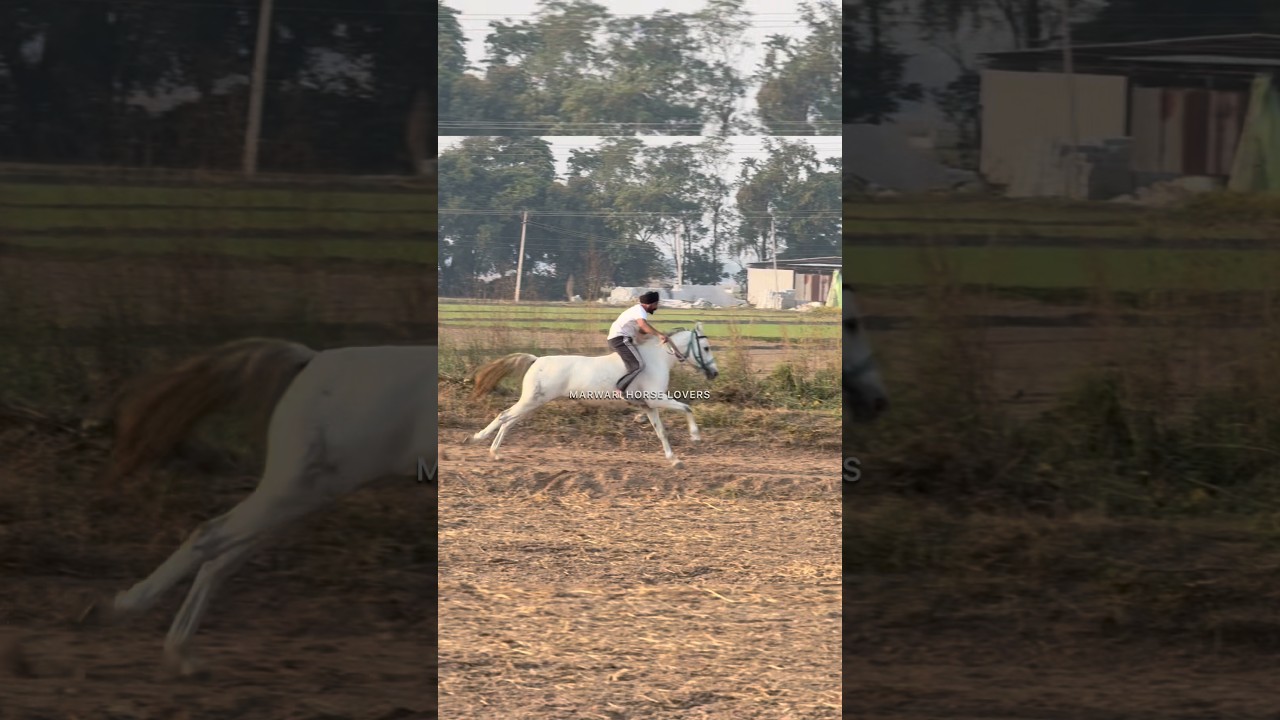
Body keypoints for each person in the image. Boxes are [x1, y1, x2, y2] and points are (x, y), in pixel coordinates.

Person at [606, 290, 669, 402]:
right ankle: (619, 389)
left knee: (638, 362)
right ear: (650, 304)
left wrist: (655, 336)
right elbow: (643, 326)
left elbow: (641, 330)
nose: (656, 307)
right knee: (638, 365)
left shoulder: (638, 310)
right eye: (655, 305)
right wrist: (659, 335)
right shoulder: (640, 311)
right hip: (620, 339)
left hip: (621, 338)